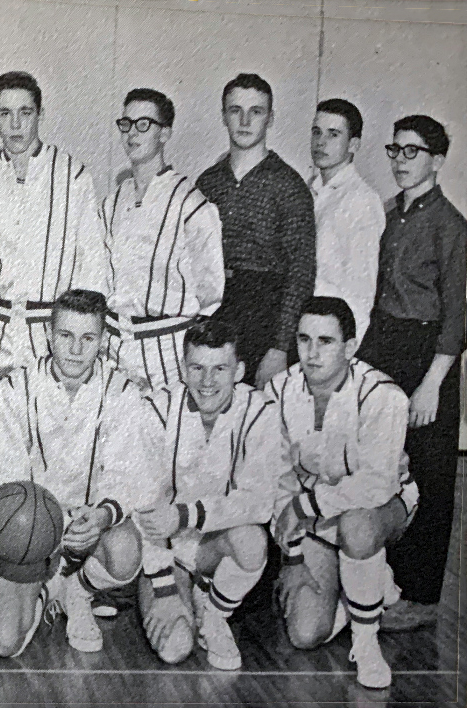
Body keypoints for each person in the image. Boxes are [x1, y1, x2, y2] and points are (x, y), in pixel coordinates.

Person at [0, 289, 147, 657]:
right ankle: (49, 585)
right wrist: (41, 528)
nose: (76, 349)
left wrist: (103, 514)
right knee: (4, 642)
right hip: (32, 527)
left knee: (125, 551)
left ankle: (79, 590)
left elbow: (125, 474)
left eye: (88, 338)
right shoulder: (17, 386)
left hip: (89, 529)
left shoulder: (122, 391)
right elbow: (5, 476)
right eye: (66, 336)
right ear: (48, 334)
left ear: (103, 340)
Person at [267, 297, 417, 689]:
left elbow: (376, 484)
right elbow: (275, 481)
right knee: (305, 634)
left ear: (350, 347)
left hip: (382, 507)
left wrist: (305, 504)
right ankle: (367, 589)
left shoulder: (384, 395)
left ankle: (366, 645)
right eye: (303, 340)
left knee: (357, 527)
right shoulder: (278, 392)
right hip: (314, 519)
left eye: (326, 341)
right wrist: (294, 557)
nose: (312, 353)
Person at [356, 115, 465, 632]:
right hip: (384, 340)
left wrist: (431, 384)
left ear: (437, 161)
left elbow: (458, 316)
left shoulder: (452, 226)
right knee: (379, 462)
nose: (400, 161)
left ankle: (420, 598)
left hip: (430, 353)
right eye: (395, 150)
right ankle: (380, 582)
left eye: (412, 152)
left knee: (431, 473)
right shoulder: (387, 214)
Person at [135, 320, 288, 671]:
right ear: (183, 370)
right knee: (174, 649)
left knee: (251, 541)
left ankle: (215, 613)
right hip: (164, 552)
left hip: (214, 548)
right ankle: (185, 596)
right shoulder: (156, 409)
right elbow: (142, 507)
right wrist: (163, 587)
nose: (207, 381)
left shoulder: (261, 411)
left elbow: (260, 502)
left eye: (220, 369)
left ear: (240, 371)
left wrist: (187, 515)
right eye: (197, 368)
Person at [0, 72, 108, 390]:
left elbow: (92, 267)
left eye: (25, 113)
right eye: (5, 113)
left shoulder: (73, 178)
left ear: (39, 114)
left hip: (50, 339)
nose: (15, 125)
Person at [197, 73, 316, 388]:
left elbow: (301, 274)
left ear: (271, 118)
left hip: (264, 313)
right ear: (224, 116)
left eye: (256, 111)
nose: (245, 120)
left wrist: (280, 348)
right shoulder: (208, 182)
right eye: (235, 110)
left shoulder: (288, 185)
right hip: (214, 307)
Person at [102, 88, 224, 390]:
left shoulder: (191, 203)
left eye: (144, 124)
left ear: (165, 133)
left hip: (168, 354)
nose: (133, 133)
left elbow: (211, 291)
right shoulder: (113, 201)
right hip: (116, 349)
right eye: (126, 123)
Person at [307, 99, 386, 340]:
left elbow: (361, 293)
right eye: (317, 132)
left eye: (333, 134)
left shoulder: (361, 200)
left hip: (330, 335)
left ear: (353, 144)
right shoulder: (309, 190)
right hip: (302, 325)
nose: (321, 142)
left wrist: (347, 350)